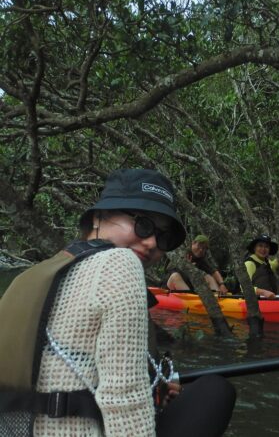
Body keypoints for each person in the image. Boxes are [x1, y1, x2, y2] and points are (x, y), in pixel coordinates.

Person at [11, 168, 235, 437]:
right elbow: (125, 405)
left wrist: (153, 392)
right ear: (98, 217)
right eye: (143, 224)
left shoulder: (35, 274)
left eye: (163, 237)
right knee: (216, 390)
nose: (152, 242)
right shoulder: (120, 262)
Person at [244, 234, 279, 299]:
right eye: (260, 246)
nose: (263, 249)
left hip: (271, 301)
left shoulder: (267, 262)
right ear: (254, 248)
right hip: (256, 303)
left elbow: (274, 264)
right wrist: (263, 292)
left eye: (266, 247)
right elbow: (244, 287)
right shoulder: (249, 264)